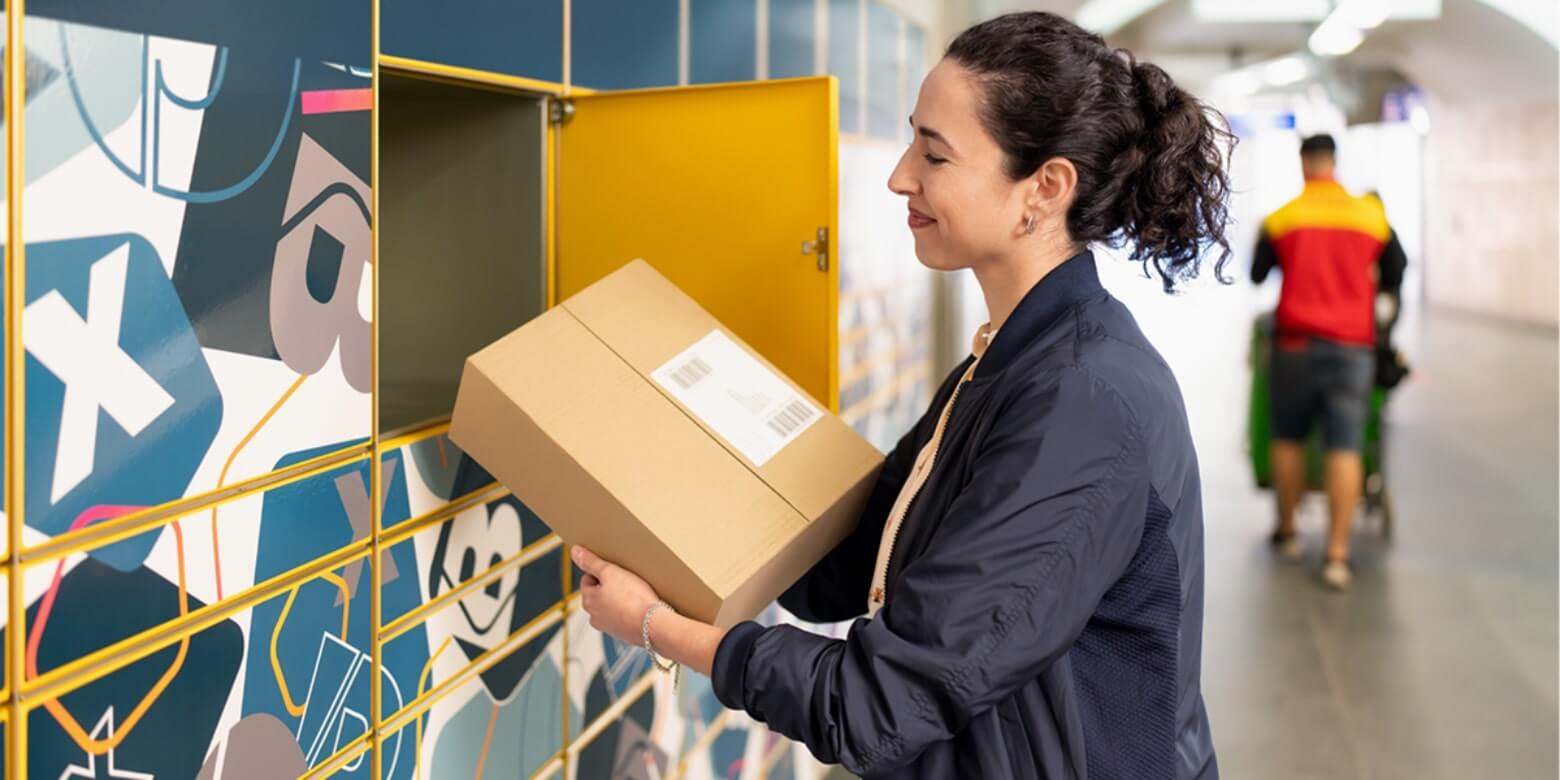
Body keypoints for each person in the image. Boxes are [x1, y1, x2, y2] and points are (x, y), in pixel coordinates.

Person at [573, 12, 1229, 778]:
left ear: (1044, 189)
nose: (898, 177)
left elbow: (878, 705)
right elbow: (841, 571)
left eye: (935, 154)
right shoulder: (1008, 365)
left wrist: (656, 627)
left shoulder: (1082, 401)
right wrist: (676, 463)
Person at [1250, 134, 1407, 590]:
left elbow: (1258, 273)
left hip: (1295, 345)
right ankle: (1337, 554)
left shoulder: (1284, 218)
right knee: (1345, 447)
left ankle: (1289, 533)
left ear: (1304, 164)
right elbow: (1396, 273)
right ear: (1334, 162)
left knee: (1288, 439)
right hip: (1352, 348)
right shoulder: (1370, 217)